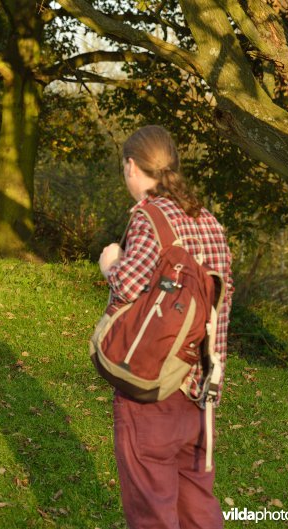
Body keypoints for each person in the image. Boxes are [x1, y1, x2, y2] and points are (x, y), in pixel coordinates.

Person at [98, 125, 233, 529]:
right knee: (199, 510)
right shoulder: (208, 221)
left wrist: (110, 263)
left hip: (153, 388)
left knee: (152, 512)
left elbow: (129, 284)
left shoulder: (149, 217)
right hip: (202, 391)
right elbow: (220, 302)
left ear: (131, 166)